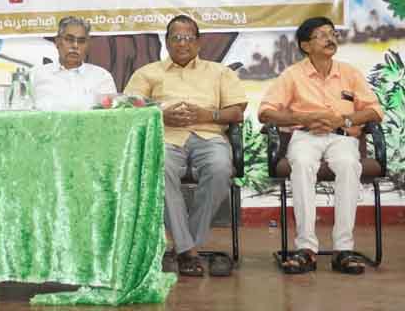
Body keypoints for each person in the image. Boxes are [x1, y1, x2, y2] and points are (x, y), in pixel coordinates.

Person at [258, 16, 383, 275]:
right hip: (306, 135)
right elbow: (266, 112)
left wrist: (344, 119)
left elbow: (374, 111)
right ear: (305, 45)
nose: (330, 39)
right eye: (322, 35)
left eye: (332, 33)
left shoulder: (349, 73)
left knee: (348, 164)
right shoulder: (292, 75)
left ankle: (343, 250)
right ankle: (306, 249)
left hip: (342, 136)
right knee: (303, 164)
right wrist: (302, 118)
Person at [124, 15, 246, 278]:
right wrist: (160, 115)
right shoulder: (147, 73)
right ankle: (189, 250)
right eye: (176, 38)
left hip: (209, 135)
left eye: (188, 38)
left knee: (220, 168)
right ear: (167, 42)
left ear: (199, 43)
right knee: (159, 169)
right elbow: (130, 110)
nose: (182, 43)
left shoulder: (220, 72)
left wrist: (207, 115)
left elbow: (237, 112)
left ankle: (184, 246)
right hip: (166, 137)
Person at [31, 16, 116, 111]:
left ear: (88, 45)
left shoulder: (102, 77)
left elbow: (110, 115)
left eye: (81, 41)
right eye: (69, 39)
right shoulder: (36, 75)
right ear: (57, 41)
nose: (75, 46)